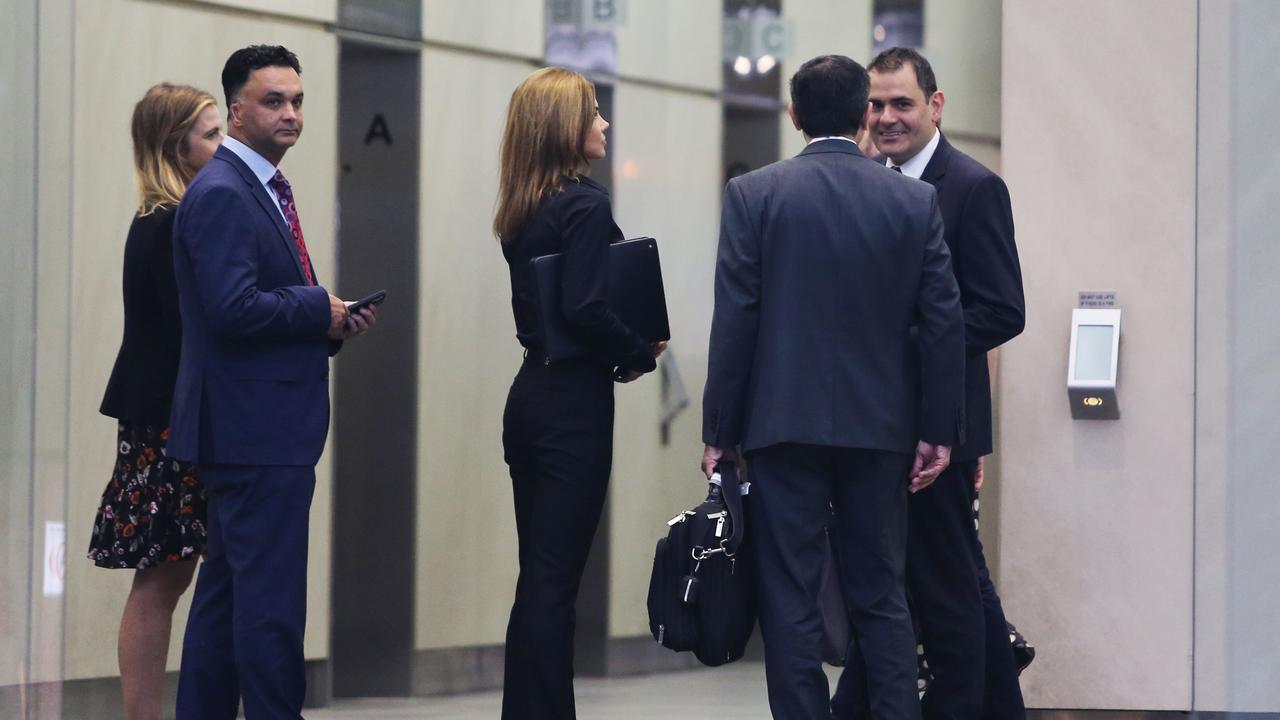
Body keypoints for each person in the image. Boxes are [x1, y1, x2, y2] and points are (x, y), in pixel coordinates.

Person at [700, 54, 965, 720]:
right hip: (881, 432)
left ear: (793, 117)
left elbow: (737, 321)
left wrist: (719, 434)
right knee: (880, 592)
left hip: (781, 427)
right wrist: (939, 430)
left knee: (789, 595)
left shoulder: (754, 195)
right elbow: (942, 323)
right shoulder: (914, 200)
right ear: (863, 116)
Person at [170, 45, 375, 719]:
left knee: (227, 599)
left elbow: (255, 303)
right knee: (270, 609)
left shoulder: (254, 188)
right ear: (236, 111)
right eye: (273, 101)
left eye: (297, 100)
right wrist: (320, 307)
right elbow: (232, 308)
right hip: (256, 433)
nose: (291, 114)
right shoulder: (227, 192)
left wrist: (328, 322)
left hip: (253, 429)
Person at [832, 47, 1027, 720]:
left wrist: (905, 343)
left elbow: (1003, 309)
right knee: (908, 584)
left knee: (943, 592)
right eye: (876, 106)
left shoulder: (973, 188)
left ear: (936, 106)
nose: (886, 118)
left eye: (901, 104)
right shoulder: (864, 182)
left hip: (939, 426)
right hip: (875, 427)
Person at [493, 66, 664, 719]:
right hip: (574, 407)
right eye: (593, 113)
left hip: (529, 395)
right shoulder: (586, 205)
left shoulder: (521, 208)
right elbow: (588, 307)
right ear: (566, 127)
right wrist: (637, 351)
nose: (604, 123)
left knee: (536, 578)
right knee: (556, 584)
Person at [89, 82, 223, 720]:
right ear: (178, 146)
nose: (222, 146)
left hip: (164, 411)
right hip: (169, 417)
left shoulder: (160, 218)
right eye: (211, 134)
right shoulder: (170, 222)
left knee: (169, 572)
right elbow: (191, 327)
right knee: (163, 574)